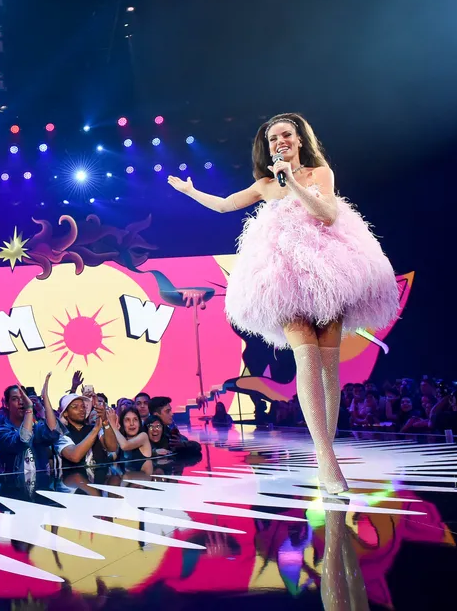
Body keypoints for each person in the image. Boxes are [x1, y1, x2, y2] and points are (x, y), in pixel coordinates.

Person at [168, 113, 399, 494]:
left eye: (286, 135)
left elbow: (327, 214)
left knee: (328, 365)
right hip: (283, 276)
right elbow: (226, 205)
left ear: (299, 139)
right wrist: (192, 193)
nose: (280, 142)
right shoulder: (263, 184)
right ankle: (327, 461)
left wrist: (291, 181)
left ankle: (328, 454)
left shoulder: (318, 173)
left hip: (328, 270)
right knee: (305, 358)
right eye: (274, 138)